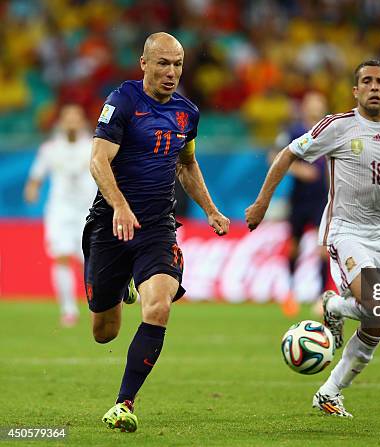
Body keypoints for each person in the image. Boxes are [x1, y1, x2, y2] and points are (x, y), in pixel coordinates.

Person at [246, 60, 380, 417]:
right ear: (356, 91)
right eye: (366, 81)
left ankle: (330, 390)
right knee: (374, 303)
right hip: (345, 229)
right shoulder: (338, 126)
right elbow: (289, 152)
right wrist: (261, 203)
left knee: (379, 320)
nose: (374, 86)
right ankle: (334, 306)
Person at [85, 32, 230, 432]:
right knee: (104, 332)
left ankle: (124, 403)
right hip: (110, 224)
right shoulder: (123, 101)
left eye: (178, 64)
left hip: (157, 227)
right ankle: (121, 287)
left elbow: (186, 164)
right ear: (144, 63)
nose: (171, 72)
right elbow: (98, 160)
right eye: (163, 63)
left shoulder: (187, 113)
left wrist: (212, 210)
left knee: (160, 306)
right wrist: (119, 205)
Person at [24, 103, 97, 327]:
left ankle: (98, 306)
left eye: (76, 117)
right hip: (60, 211)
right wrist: (32, 189)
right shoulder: (51, 148)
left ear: (82, 121)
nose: (72, 122)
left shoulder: (94, 146)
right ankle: (68, 310)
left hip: (89, 211)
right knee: (62, 256)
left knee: (92, 261)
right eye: (68, 118)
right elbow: (36, 176)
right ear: (61, 122)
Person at [274, 91, 329, 316]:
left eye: (318, 102)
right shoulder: (294, 131)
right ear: (304, 106)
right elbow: (274, 156)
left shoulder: (330, 130)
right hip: (299, 198)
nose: (314, 106)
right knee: (294, 246)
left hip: (322, 198)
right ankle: (290, 292)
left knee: (323, 248)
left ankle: (321, 296)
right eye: (311, 102)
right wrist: (299, 169)